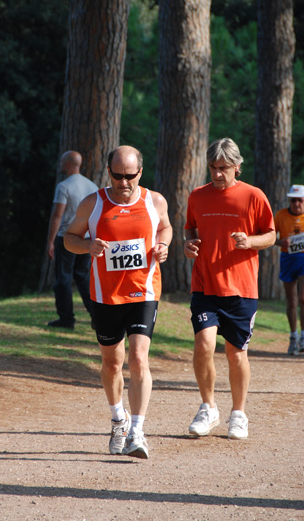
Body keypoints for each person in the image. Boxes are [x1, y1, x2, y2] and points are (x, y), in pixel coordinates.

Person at [64, 146, 172, 459]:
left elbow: (164, 226)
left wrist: (162, 245)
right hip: (105, 295)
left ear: (141, 172)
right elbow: (69, 238)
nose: (123, 183)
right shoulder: (93, 203)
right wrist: (87, 245)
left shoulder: (154, 201)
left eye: (130, 176)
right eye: (117, 176)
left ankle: (137, 431)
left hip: (144, 291)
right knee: (112, 363)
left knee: (138, 358)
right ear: (108, 172)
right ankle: (118, 420)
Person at [184, 138, 275, 440]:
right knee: (204, 345)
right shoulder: (197, 196)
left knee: (236, 354)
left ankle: (238, 414)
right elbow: (190, 229)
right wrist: (189, 246)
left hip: (241, 288)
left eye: (223, 168)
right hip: (205, 286)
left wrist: (251, 241)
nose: (217, 173)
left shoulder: (253, 196)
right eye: (213, 167)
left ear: (237, 167)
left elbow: (271, 235)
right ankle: (208, 407)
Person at [47, 151, 98, 329]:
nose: (60, 165)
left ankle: (66, 319)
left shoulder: (64, 186)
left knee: (63, 279)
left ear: (67, 164)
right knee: (83, 277)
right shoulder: (92, 186)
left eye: (62, 162)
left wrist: (51, 241)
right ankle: (96, 317)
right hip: (86, 239)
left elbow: (57, 216)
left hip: (66, 238)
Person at [274, 184, 304, 356]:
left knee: (303, 298)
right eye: (293, 200)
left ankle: (303, 336)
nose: (297, 204)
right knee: (291, 301)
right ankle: (293, 337)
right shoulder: (280, 215)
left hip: (303, 258)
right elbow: (270, 236)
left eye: (300, 200)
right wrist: (281, 242)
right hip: (287, 258)